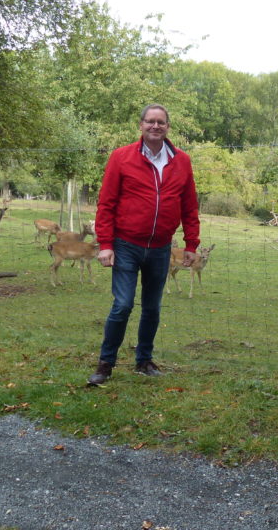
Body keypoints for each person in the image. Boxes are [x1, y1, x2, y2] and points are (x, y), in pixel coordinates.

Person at [87, 104, 200, 386]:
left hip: (161, 247)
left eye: (161, 122)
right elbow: (107, 203)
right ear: (141, 125)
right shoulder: (121, 157)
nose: (155, 126)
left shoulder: (181, 161)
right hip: (126, 244)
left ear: (167, 127)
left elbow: (189, 207)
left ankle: (144, 361)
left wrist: (191, 243)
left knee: (152, 307)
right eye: (150, 121)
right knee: (123, 305)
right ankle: (105, 363)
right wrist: (105, 243)